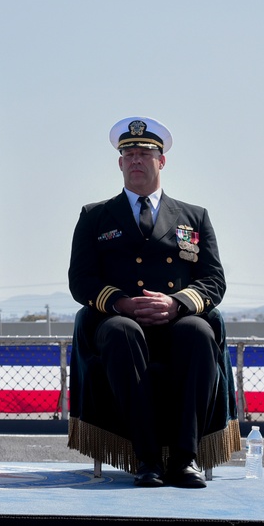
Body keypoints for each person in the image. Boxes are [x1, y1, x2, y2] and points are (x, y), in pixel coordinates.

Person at [68, 117, 227, 488]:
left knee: (200, 332)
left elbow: (213, 279)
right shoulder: (95, 216)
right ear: (120, 163)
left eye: (145, 153)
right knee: (121, 334)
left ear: (162, 161)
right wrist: (121, 303)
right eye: (129, 154)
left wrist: (178, 304)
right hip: (120, 321)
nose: (136, 160)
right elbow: (82, 280)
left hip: (176, 321)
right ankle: (148, 459)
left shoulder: (193, 216)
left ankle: (186, 460)